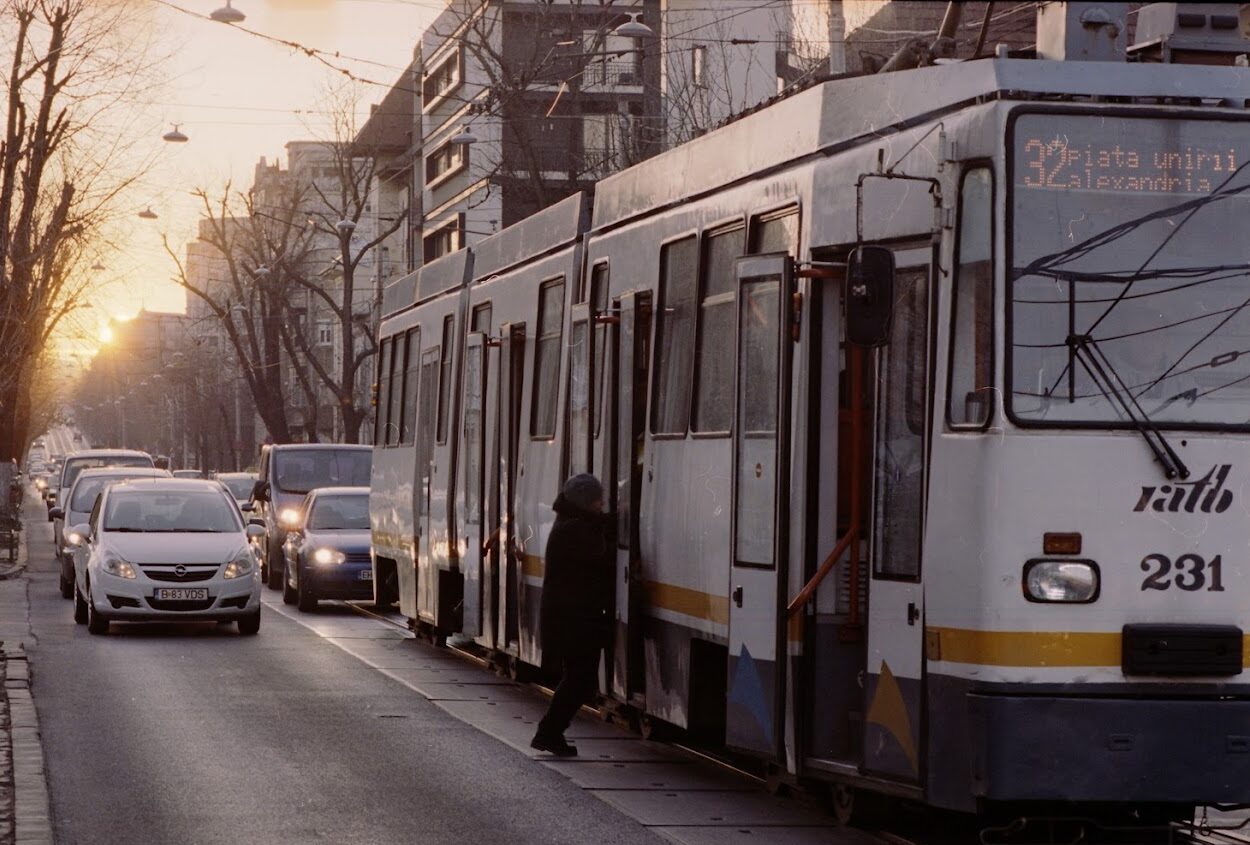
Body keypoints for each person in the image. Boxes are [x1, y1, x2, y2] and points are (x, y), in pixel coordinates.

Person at [531, 473, 612, 757]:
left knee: (579, 678)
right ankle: (549, 732)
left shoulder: (570, 525)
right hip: (573, 621)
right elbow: (599, 556)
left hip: (572, 619)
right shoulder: (573, 531)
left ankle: (550, 732)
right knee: (580, 679)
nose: (601, 504)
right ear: (583, 502)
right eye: (596, 500)